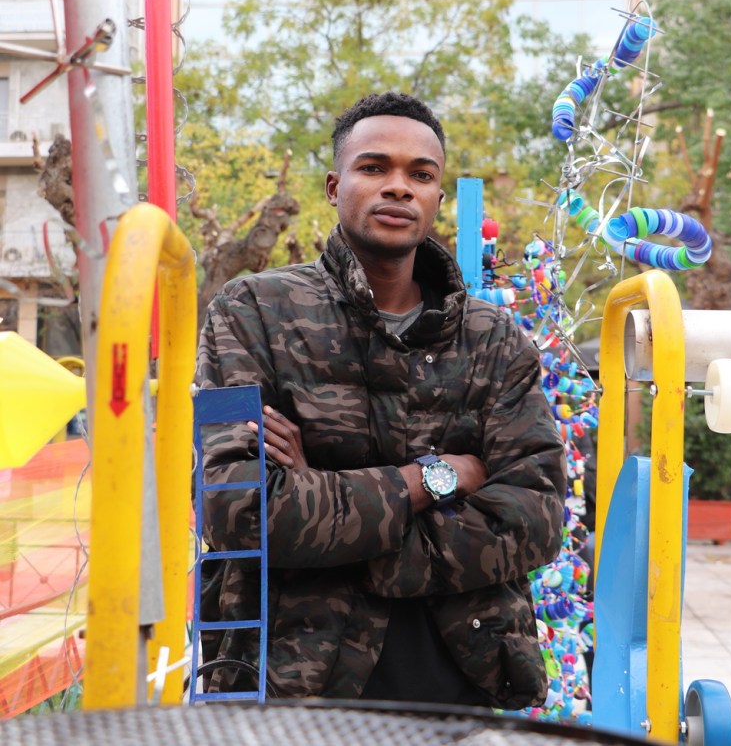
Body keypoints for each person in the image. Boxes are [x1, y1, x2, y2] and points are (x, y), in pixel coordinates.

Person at [196, 91, 566, 709]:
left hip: (461, 679)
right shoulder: (254, 310)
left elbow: (537, 516)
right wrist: (439, 477)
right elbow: (240, 511)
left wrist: (326, 509)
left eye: (420, 175)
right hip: (292, 683)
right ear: (333, 187)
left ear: (437, 199)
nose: (398, 186)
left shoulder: (492, 338)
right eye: (374, 167)